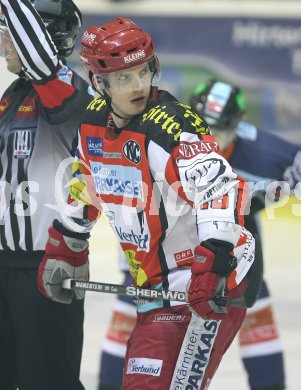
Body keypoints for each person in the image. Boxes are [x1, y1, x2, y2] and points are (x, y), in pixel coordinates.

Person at [38, 18, 262, 390]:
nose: (139, 85)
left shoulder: (172, 127)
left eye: (143, 71)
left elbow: (221, 188)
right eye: (124, 78)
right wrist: (68, 243)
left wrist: (215, 258)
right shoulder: (91, 123)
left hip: (209, 283)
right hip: (156, 291)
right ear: (99, 82)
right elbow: (85, 183)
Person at [97, 79, 301, 390]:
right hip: (159, 249)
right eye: (206, 127)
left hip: (228, 247)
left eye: (221, 130)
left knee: (256, 305)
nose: (212, 139)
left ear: (238, 127)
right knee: (129, 314)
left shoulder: (265, 153)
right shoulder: (162, 138)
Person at [0, 0, 93, 389]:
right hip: (6, 264)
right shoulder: (12, 94)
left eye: (9, 32)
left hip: (47, 267)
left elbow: (43, 63)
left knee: (49, 381)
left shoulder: (69, 91)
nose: (3, 42)